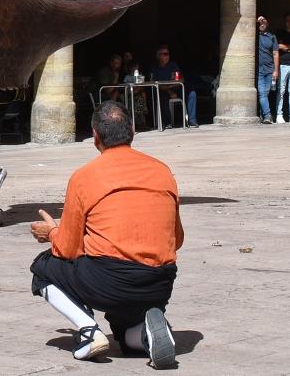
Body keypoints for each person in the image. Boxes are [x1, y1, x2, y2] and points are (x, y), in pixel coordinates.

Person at [28, 101, 182, 368]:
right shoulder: (162, 171)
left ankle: (89, 331)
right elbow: (177, 239)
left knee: (43, 268)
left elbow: (67, 248)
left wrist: (52, 232)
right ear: (132, 131)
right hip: (159, 282)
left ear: (95, 136)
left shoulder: (86, 176)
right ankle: (147, 334)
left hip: (110, 279)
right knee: (125, 331)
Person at [150, 45, 198, 128]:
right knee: (162, 96)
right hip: (164, 91)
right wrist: (170, 90)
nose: (167, 56)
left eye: (168, 54)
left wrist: (171, 86)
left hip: (177, 88)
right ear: (158, 56)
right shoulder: (155, 68)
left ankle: (192, 120)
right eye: (165, 54)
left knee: (192, 94)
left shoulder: (173, 65)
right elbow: (158, 85)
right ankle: (168, 122)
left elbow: (181, 79)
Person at [256, 16, 279, 124]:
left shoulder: (272, 37)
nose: (262, 23)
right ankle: (268, 115)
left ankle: (263, 114)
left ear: (268, 23)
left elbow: (275, 53)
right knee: (262, 93)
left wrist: (276, 70)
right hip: (259, 70)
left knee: (265, 93)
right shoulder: (255, 36)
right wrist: (256, 20)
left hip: (270, 69)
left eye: (264, 21)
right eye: (260, 22)